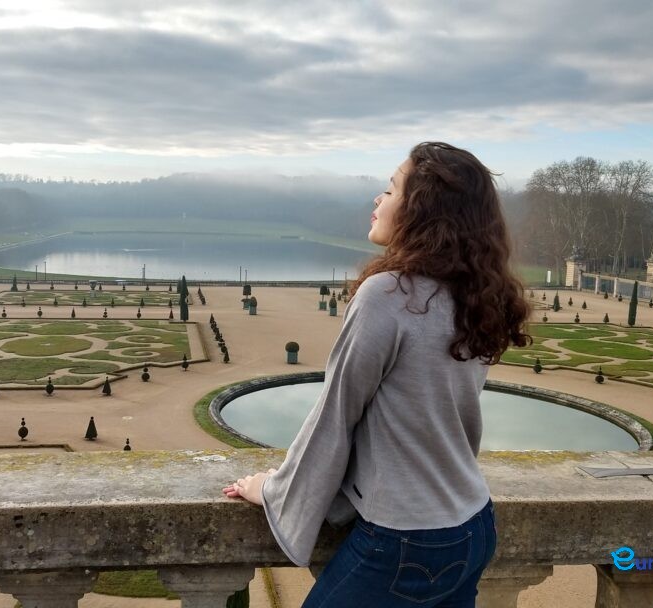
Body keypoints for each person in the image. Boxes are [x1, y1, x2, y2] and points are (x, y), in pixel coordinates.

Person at [222, 142, 531, 607]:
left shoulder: (389, 293)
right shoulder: (476, 296)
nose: (376, 200)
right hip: (473, 524)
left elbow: (335, 415)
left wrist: (271, 489)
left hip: (406, 540)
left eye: (390, 189)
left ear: (421, 208)